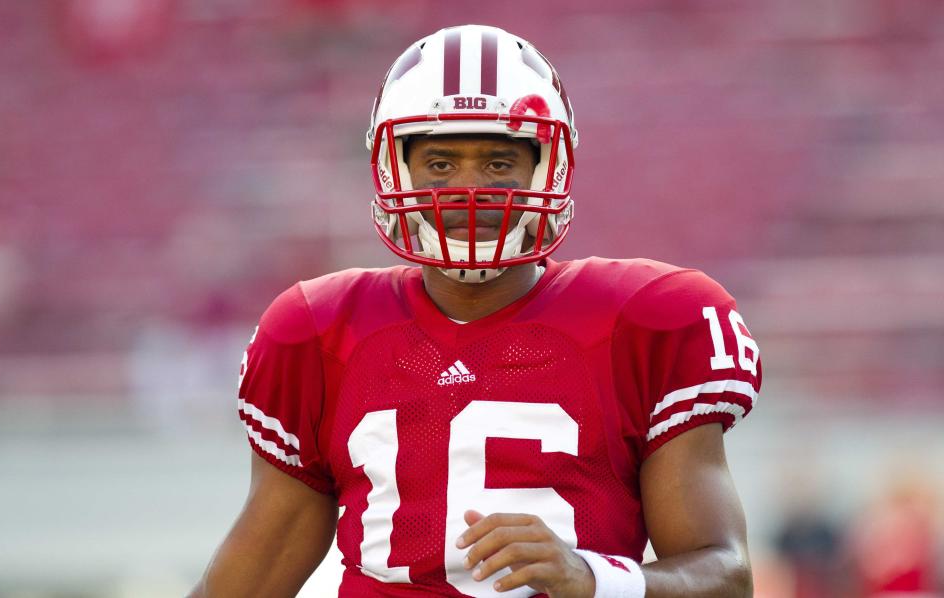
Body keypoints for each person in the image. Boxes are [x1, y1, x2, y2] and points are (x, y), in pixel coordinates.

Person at [190, 24, 762, 598]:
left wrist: (591, 578)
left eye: (497, 163)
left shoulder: (648, 320)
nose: (468, 188)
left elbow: (725, 575)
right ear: (396, 169)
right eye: (439, 164)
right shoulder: (317, 329)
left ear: (547, 167)